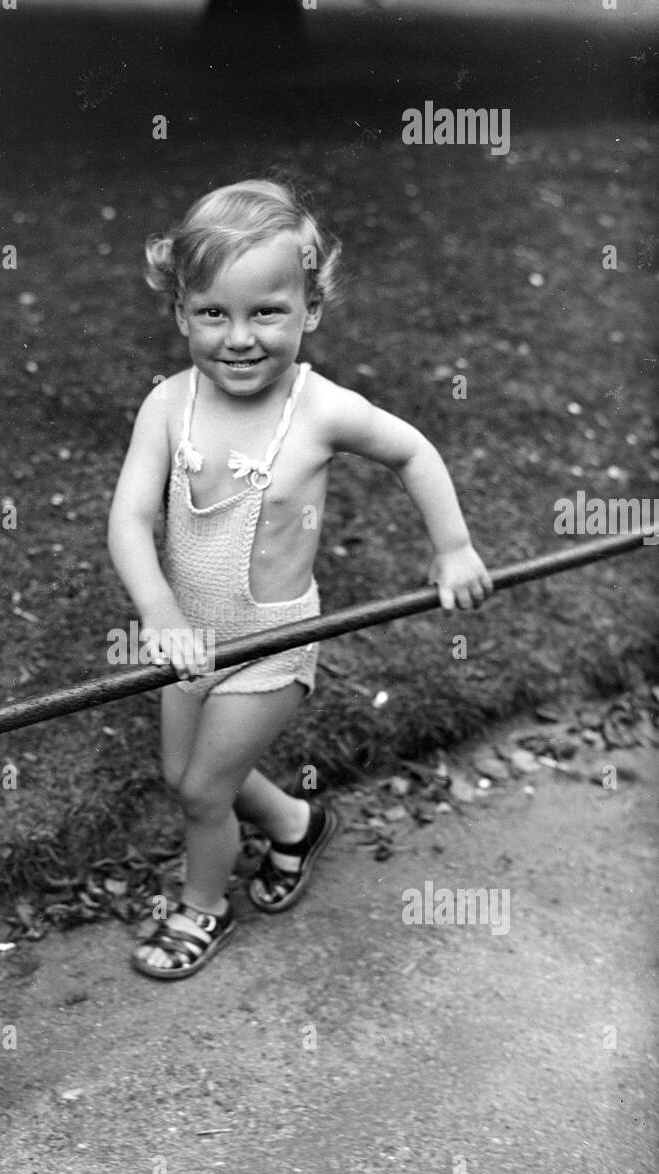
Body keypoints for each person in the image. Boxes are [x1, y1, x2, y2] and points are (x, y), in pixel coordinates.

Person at [108, 179, 492, 980]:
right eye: (213, 313)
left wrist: (451, 546)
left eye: (267, 312)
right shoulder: (166, 406)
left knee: (203, 793)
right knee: (182, 775)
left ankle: (203, 910)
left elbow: (412, 450)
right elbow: (128, 520)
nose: (239, 338)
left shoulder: (320, 410)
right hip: (191, 636)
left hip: (274, 645)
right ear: (181, 312)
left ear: (310, 310)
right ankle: (296, 823)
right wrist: (159, 610)